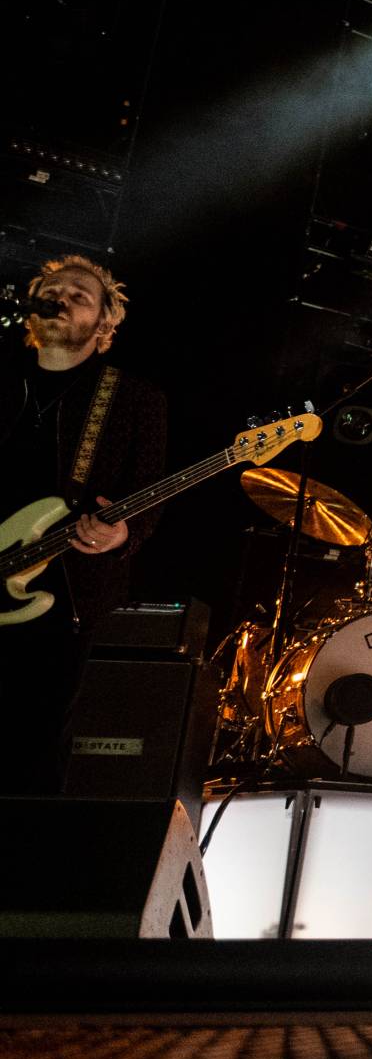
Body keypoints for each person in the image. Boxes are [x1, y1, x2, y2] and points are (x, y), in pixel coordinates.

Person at [0, 255, 168, 792]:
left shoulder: (134, 398)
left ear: (104, 324)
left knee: (29, 750)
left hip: (61, 593)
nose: (64, 298)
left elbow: (146, 492)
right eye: (53, 290)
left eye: (80, 295)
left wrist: (123, 534)